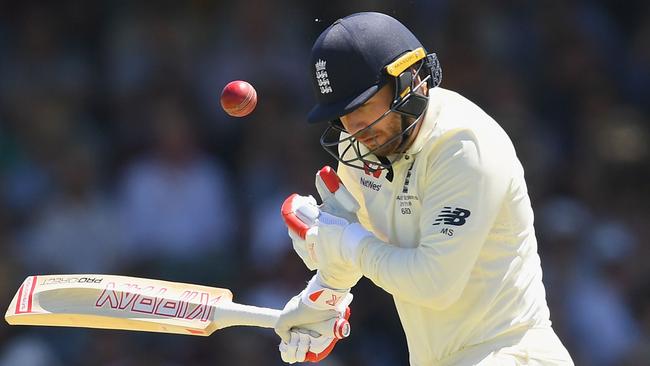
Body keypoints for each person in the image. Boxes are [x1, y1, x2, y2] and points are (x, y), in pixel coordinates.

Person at [274, 12, 574, 365]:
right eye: (343, 115)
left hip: (509, 351)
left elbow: (433, 283)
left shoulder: (464, 146)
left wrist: (347, 243)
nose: (354, 128)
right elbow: (353, 237)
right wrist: (323, 297)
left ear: (408, 82)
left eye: (365, 106)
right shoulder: (359, 143)